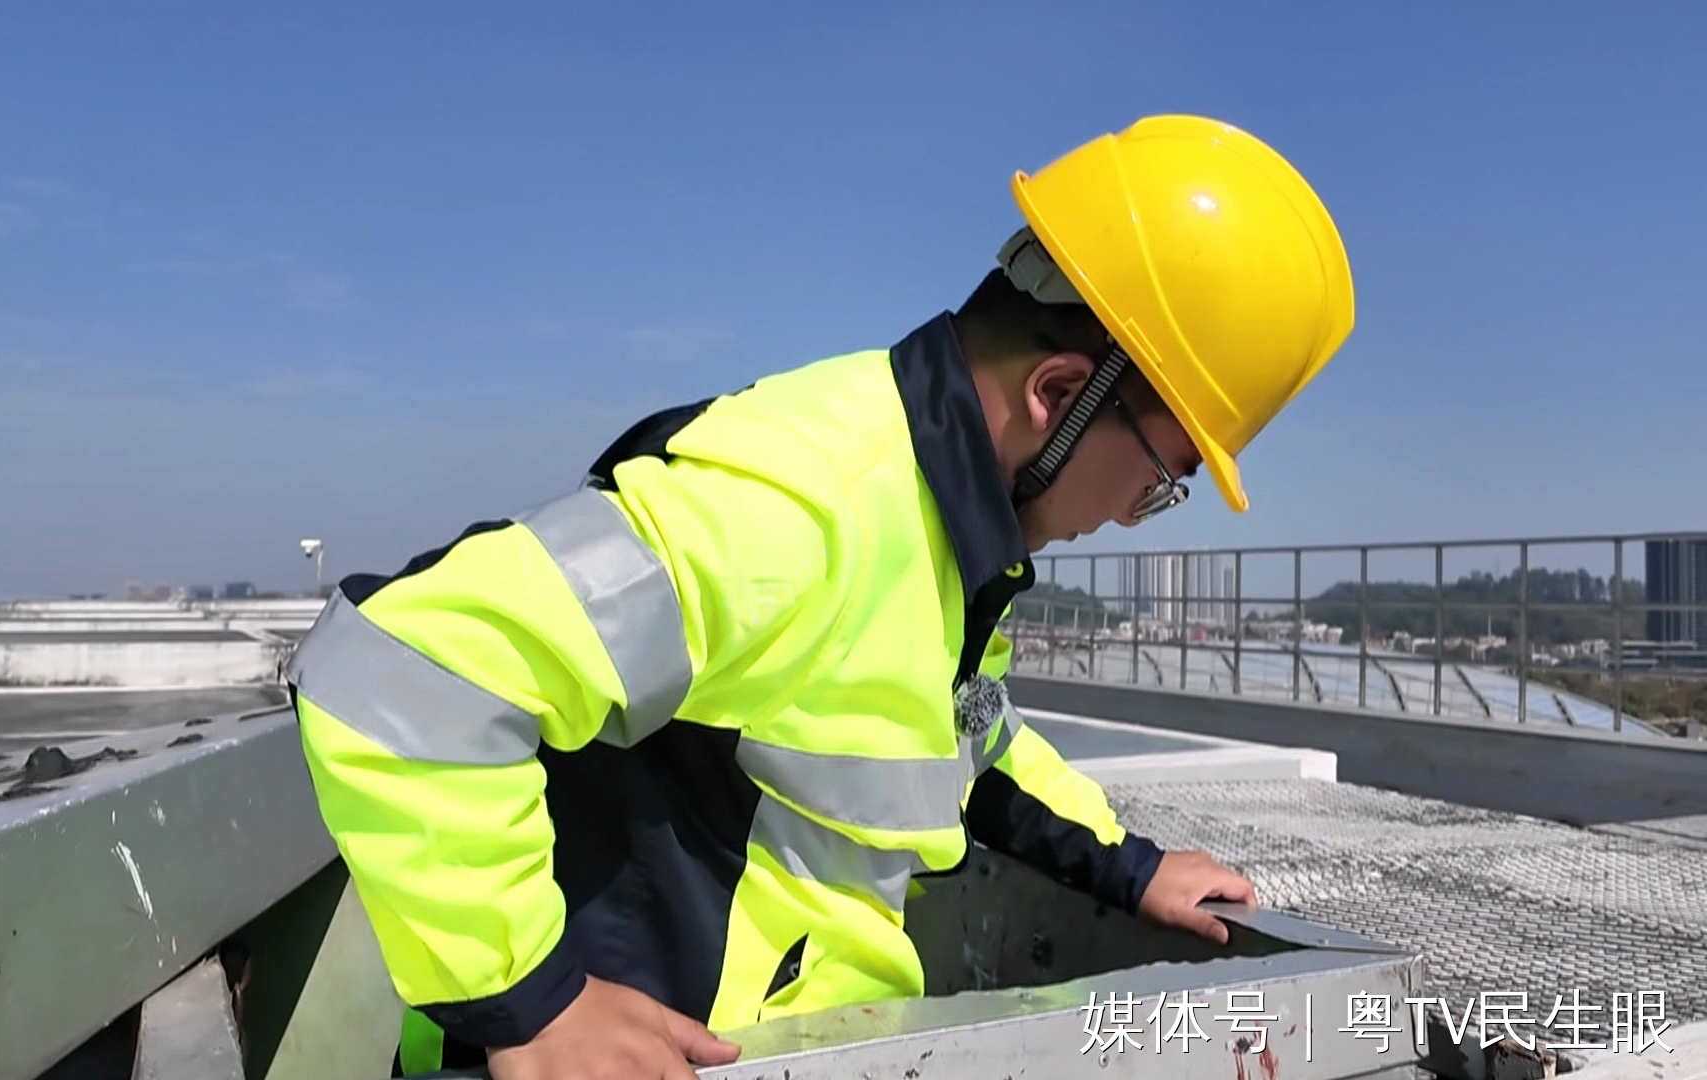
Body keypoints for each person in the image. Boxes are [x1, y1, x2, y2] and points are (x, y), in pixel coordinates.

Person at [285, 113, 1355, 1080]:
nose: (1135, 514)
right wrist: (534, 1005)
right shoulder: (801, 505)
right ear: (1061, 395)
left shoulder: (943, 533)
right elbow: (400, 670)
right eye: (1162, 476)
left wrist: (1129, 865)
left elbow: (962, 737)